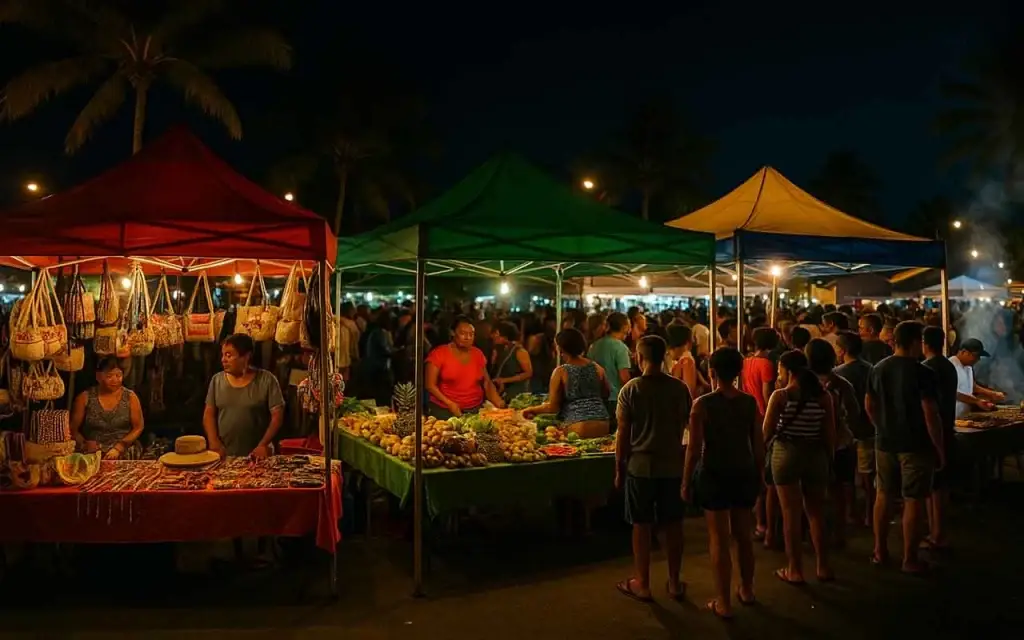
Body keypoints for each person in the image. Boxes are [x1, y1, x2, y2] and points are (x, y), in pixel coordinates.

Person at [683, 347, 762, 619]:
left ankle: (724, 602)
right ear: (739, 371)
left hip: (714, 473)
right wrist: (760, 476)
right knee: (744, 536)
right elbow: (758, 445)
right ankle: (748, 590)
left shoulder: (702, 405)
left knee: (719, 539)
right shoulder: (750, 402)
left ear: (712, 372)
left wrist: (685, 482)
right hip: (743, 471)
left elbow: (693, 450)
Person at [614, 336, 691, 603]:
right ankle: (674, 582)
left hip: (641, 466)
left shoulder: (631, 390)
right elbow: (685, 426)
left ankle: (643, 583)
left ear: (638, 357)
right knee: (673, 526)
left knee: (641, 525)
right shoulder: (680, 389)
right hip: (672, 465)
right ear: (664, 357)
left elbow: (623, 435)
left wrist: (619, 468)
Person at [865, 321, 945, 574]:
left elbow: (869, 404)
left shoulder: (878, 369)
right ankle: (909, 558)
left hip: (885, 442)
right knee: (913, 499)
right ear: (913, 342)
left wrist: (881, 426)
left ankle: (879, 550)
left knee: (883, 495)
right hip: (915, 444)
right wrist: (939, 447)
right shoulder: (923, 372)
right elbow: (930, 413)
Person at [763, 349, 836, 584]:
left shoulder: (781, 396)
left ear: (788, 371)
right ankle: (823, 566)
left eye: (780, 370)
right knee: (816, 512)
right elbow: (830, 434)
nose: (778, 375)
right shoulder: (824, 397)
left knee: (790, 514)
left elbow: (767, 432)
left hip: (786, 454)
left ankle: (794, 569)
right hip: (816, 455)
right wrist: (829, 460)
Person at [805, 338, 858, 549]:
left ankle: (815, 536)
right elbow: (854, 413)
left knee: (812, 496)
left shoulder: (802, 386)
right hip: (840, 444)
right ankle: (839, 533)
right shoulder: (842, 384)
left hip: (812, 445)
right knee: (839, 492)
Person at [204, 334, 286, 459]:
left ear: (246, 357)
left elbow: (277, 416)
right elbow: (209, 414)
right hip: (225, 455)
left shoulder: (267, 380)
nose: (223, 360)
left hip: (258, 457)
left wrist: (263, 444)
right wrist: (214, 443)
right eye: (223, 355)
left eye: (229, 355)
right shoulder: (217, 380)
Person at [522, 328, 609, 436]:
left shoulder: (561, 372)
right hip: (604, 424)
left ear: (560, 348)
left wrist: (531, 409)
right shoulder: (598, 368)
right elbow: (606, 394)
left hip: (577, 426)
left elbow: (553, 407)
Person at [834, 330, 876, 527]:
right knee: (868, 476)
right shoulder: (871, 369)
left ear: (842, 350)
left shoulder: (838, 374)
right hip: (869, 428)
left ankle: (851, 513)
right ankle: (869, 512)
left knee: (848, 477)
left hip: (850, 430)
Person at [425, 315, 505, 418]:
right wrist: (450, 404)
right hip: (445, 410)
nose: (468, 338)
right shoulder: (439, 353)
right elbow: (430, 385)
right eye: (463, 333)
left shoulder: (477, 354)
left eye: (471, 334)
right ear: (453, 333)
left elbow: (487, 382)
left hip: (475, 408)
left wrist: (499, 402)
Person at [922, 326, 958, 552]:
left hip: (933, 431)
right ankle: (938, 531)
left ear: (925, 343)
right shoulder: (949, 366)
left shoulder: (926, 369)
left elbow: (928, 408)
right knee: (941, 486)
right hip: (948, 425)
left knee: (933, 487)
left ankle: (936, 534)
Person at [70, 357, 145, 459]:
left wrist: (120, 447)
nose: (114, 380)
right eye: (109, 376)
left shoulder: (130, 397)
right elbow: (72, 429)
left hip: (124, 449)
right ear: (98, 376)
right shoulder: (84, 398)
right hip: (93, 452)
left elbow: (138, 427)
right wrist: (84, 444)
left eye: (118, 375)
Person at [589, 312, 633, 416]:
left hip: (596, 398)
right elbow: (624, 377)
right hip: (614, 398)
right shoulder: (621, 348)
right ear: (624, 327)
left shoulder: (594, 346)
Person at [950, 338, 1005, 417]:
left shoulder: (968, 367)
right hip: (953, 415)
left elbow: (972, 386)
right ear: (964, 352)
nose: (978, 359)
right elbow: (952, 393)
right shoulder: (950, 366)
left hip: (965, 415)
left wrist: (992, 394)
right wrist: (977, 401)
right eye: (976, 356)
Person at [490, 321, 533, 401]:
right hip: (503, 394)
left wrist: (505, 380)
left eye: (496, 333)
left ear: (506, 336)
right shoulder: (500, 349)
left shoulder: (520, 351)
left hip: (517, 395)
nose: (493, 336)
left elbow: (528, 373)